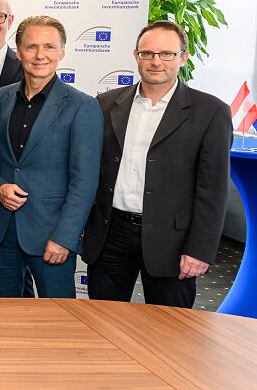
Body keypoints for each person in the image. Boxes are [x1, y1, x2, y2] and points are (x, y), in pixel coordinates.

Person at [82, 20, 232, 309]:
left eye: (166, 54)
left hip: (173, 242)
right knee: (102, 323)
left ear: (183, 57)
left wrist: (200, 250)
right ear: (136, 56)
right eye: (147, 53)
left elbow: (212, 191)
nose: (156, 62)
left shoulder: (210, 112)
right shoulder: (106, 103)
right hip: (110, 234)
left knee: (170, 332)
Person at [0, 16, 103, 298]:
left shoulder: (82, 106)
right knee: (3, 319)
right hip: (2, 231)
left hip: (52, 236)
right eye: (31, 46)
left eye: (49, 47)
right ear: (19, 51)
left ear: (61, 52)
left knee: (57, 324)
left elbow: (84, 183)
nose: (39, 55)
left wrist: (64, 238)